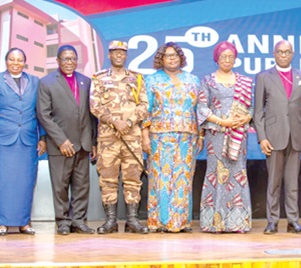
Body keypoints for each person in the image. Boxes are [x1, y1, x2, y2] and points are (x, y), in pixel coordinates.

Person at [0, 48, 47, 235]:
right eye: (12, 59)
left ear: (25, 62)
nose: (16, 63)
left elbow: (40, 111)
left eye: (19, 60)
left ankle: (23, 223)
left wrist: (42, 137)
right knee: (1, 183)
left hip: (27, 140)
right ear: (6, 61)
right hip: (1, 141)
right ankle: (2, 223)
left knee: (25, 183)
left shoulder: (35, 81)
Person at [253, 40, 301, 235]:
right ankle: (272, 221)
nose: (284, 55)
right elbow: (258, 111)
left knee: (292, 182)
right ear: (274, 54)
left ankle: (293, 221)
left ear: (293, 54)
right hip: (274, 136)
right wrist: (262, 138)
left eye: (287, 52)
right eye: (280, 52)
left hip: (296, 136)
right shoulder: (264, 77)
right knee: (274, 182)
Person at [37, 45, 97, 235]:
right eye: (65, 59)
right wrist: (61, 140)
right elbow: (44, 115)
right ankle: (63, 221)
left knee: (81, 186)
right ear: (58, 61)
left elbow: (92, 115)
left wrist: (93, 141)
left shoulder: (86, 82)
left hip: (83, 143)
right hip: (60, 145)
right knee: (60, 186)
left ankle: (78, 220)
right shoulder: (46, 83)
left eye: (73, 59)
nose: (69, 62)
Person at [142, 42, 202, 233]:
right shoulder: (151, 80)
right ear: (161, 59)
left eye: (175, 55)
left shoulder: (193, 80)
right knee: (161, 178)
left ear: (181, 58)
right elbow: (146, 111)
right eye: (168, 55)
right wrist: (144, 136)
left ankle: (181, 222)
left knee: (183, 178)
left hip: (187, 137)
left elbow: (198, 110)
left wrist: (200, 135)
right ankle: (160, 221)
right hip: (160, 136)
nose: (172, 58)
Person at [90, 40, 149, 234]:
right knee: (108, 179)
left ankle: (132, 220)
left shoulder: (136, 78)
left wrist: (129, 122)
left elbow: (144, 105)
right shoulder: (98, 78)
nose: (118, 55)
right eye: (115, 52)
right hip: (108, 139)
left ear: (126, 55)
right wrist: (115, 122)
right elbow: (94, 105)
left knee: (133, 179)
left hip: (132, 138)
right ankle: (110, 221)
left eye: (122, 52)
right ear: (109, 55)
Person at [197, 41, 253, 233]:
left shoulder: (244, 81)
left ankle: (238, 222)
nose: (227, 60)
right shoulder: (208, 80)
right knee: (217, 174)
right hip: (217, 134)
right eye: (223, 57)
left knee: (238, 174)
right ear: (216, 59)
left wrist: (246, 117)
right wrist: (223, 122)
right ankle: (215, 222)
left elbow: (252, 108)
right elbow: (202, 108)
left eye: (231, 57)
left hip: (239, 134)